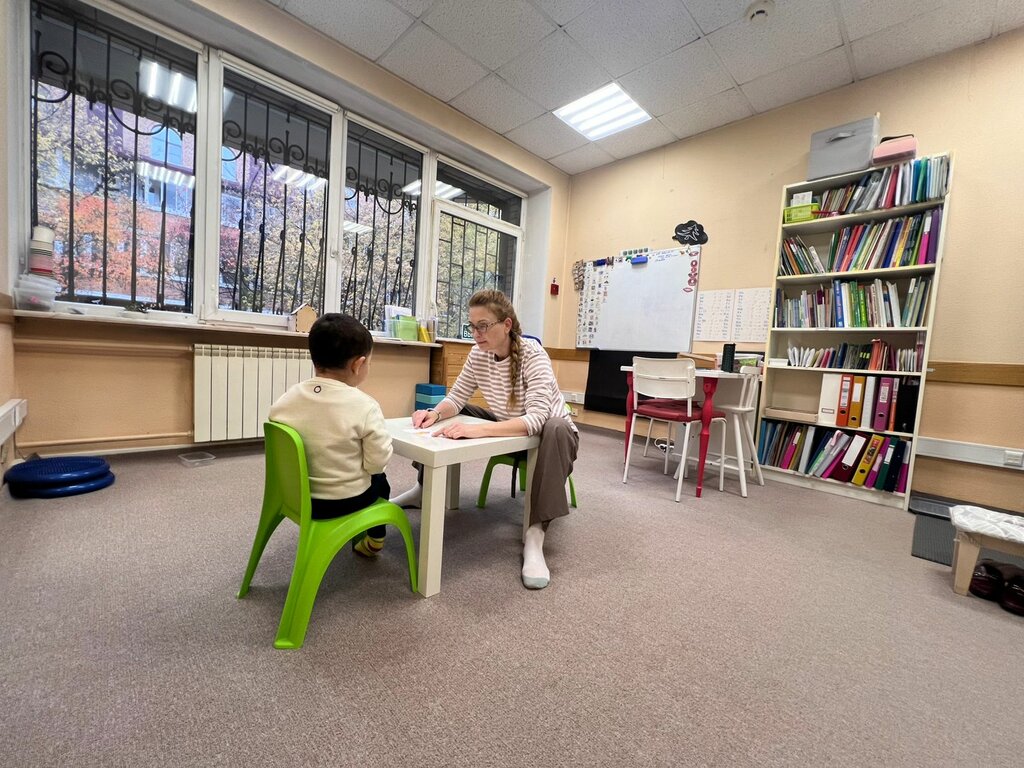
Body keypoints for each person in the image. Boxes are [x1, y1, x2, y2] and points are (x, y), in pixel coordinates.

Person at [390, 289, 579, 590]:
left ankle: (535, 533)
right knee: (457, 412)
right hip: (507, 424)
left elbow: (536, 420)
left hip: (550, 436)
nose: (476, 334)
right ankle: (422, 488)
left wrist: (478, 431)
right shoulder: (478, 353)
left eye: (483, 326)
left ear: (506, 325)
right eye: (472, 326)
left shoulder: (532, 354)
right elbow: (456, 398)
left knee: (556, 426)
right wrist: (434, 414)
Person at [268, 313, 393, 558]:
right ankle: (375, 540)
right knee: (382, 481)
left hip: (296, 498)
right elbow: (376, 464)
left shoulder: (287, 398)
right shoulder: (365, 406)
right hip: (342, 502)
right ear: (358, 364)